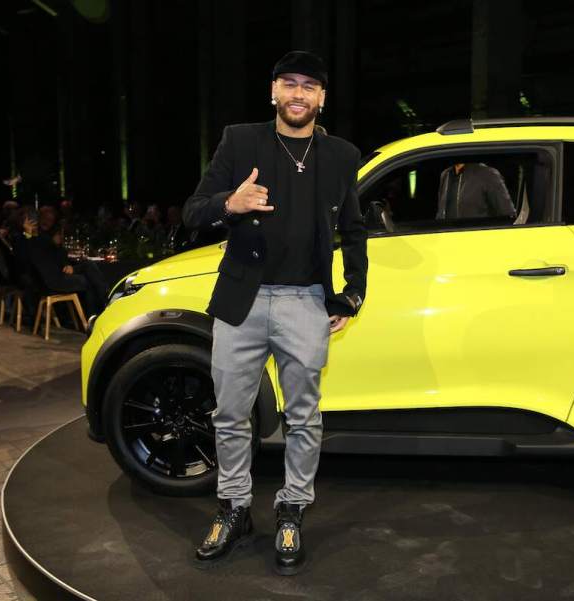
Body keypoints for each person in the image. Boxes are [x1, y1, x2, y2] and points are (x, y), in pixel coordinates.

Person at [182, 50, 367, 575]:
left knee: (304, 415)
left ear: (322, 98)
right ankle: (234, 508)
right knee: (230, 415)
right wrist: (229, 205)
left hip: (306, 299)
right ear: (273, 92)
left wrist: (352, 293)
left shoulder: (341, 155)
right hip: (242, 299)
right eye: (289, 83)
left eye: (309, 86)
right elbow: (192, 210)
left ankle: (292, 509)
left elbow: (354, 230)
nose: (298, 94)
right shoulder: (241, 141)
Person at [436, 162, 516, 220]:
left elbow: (508, 216)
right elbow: (441, 213)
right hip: (447, 239)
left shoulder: (488, 174)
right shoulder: (446, 175)